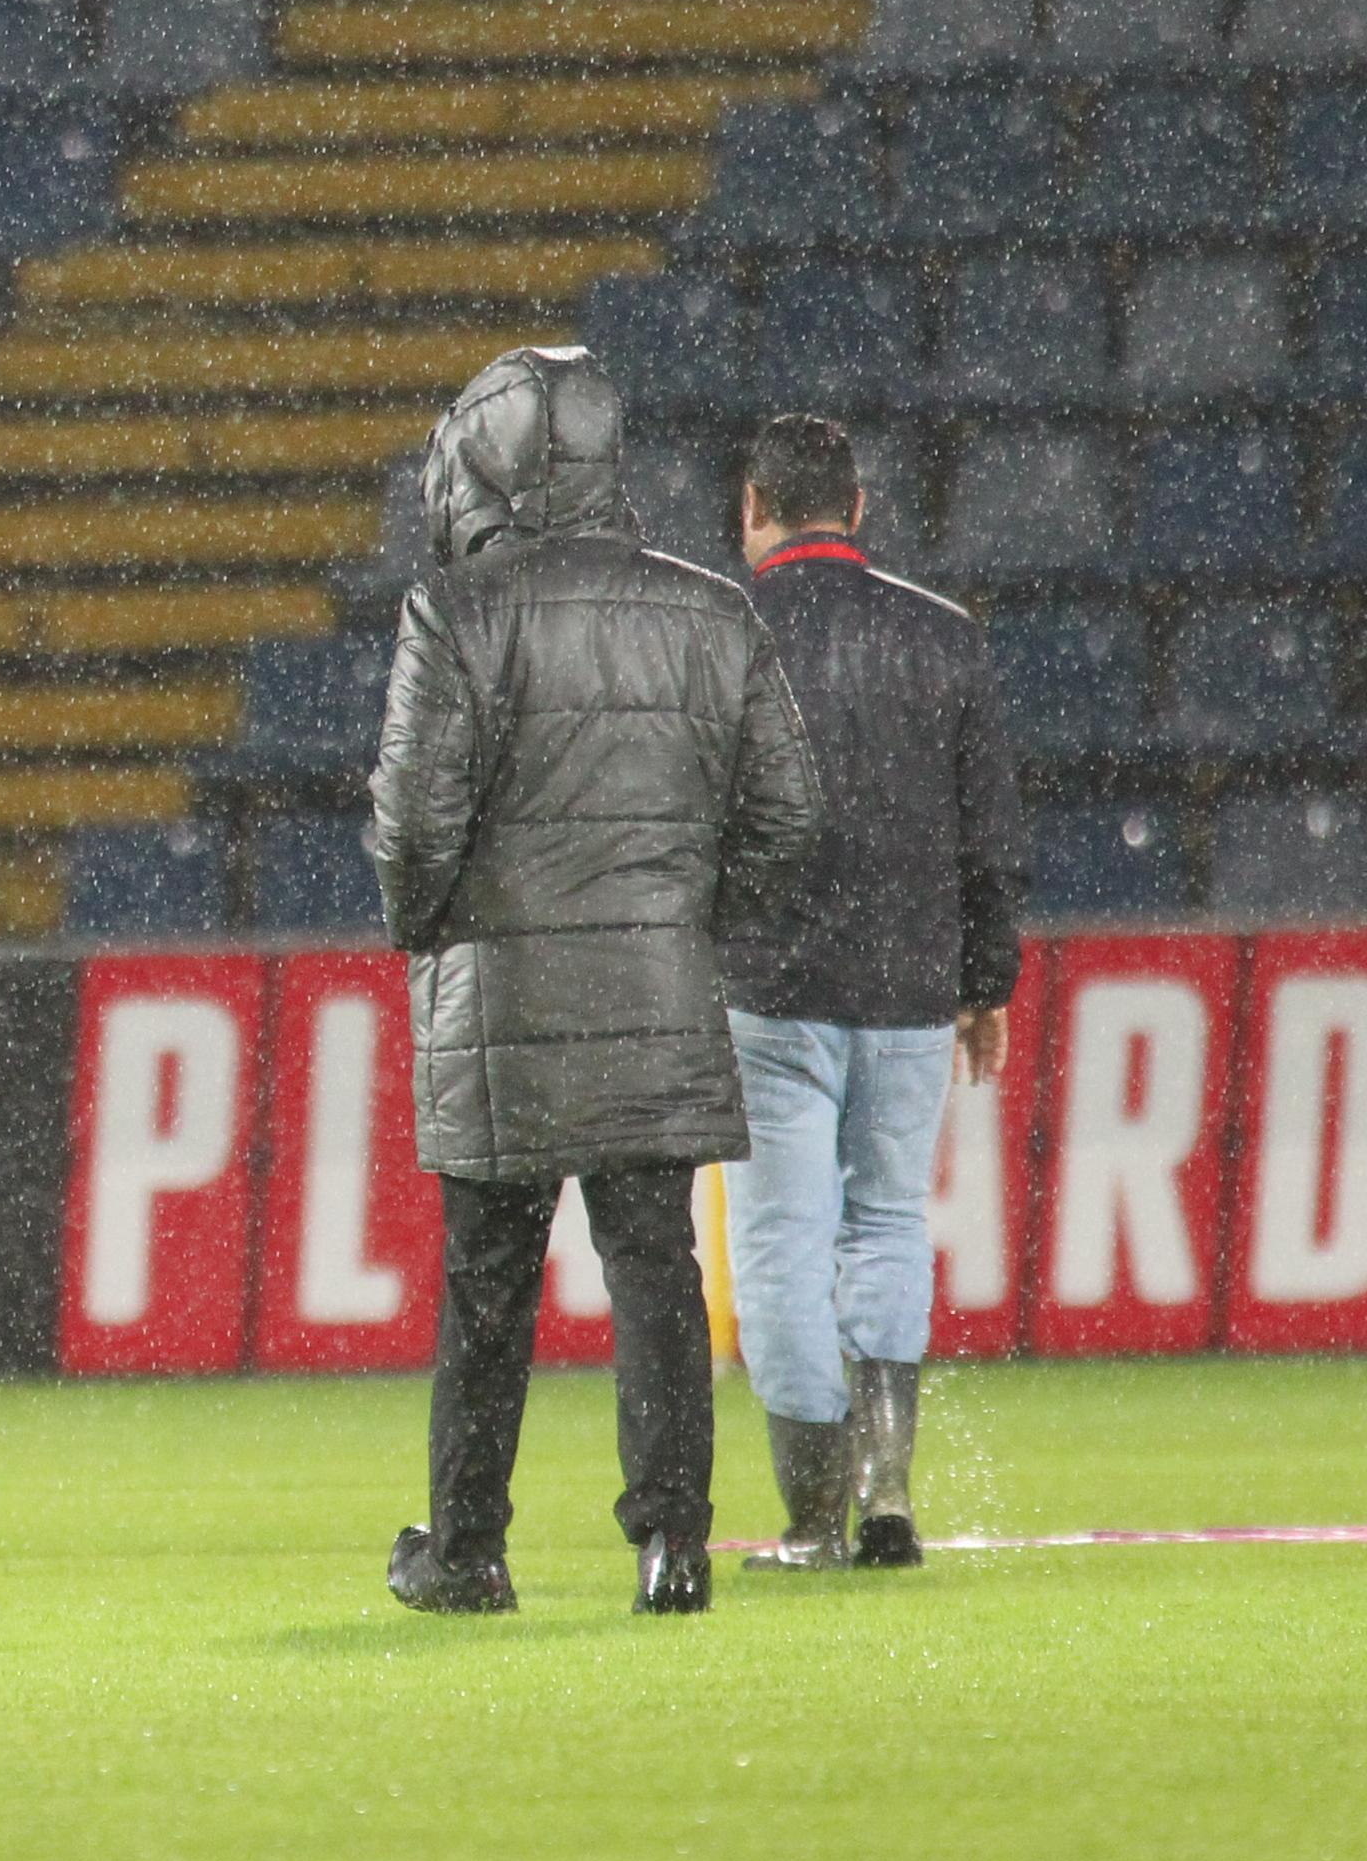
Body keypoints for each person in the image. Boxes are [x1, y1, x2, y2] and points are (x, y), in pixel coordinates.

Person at [371, 349, 824, 1617]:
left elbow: (413, 832)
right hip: (657, 998)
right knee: (657, 1272)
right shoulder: (712, 612)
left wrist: (435, 930)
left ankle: (469, 1552)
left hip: (502, 1012)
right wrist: (679, 924)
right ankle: (674, 1549)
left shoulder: (455, 613)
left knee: (488, 1288)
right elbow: (791, 817)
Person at [719, 413, 1023, 1572]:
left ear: (753, 508)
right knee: (889, 1219)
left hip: (770, 987)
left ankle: (812, 1518)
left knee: (784, 1246)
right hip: (907, 986)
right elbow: (991, 838)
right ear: (857, 508)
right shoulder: (941, 636)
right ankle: (889, 1495)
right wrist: (983, 977)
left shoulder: (728, 634)